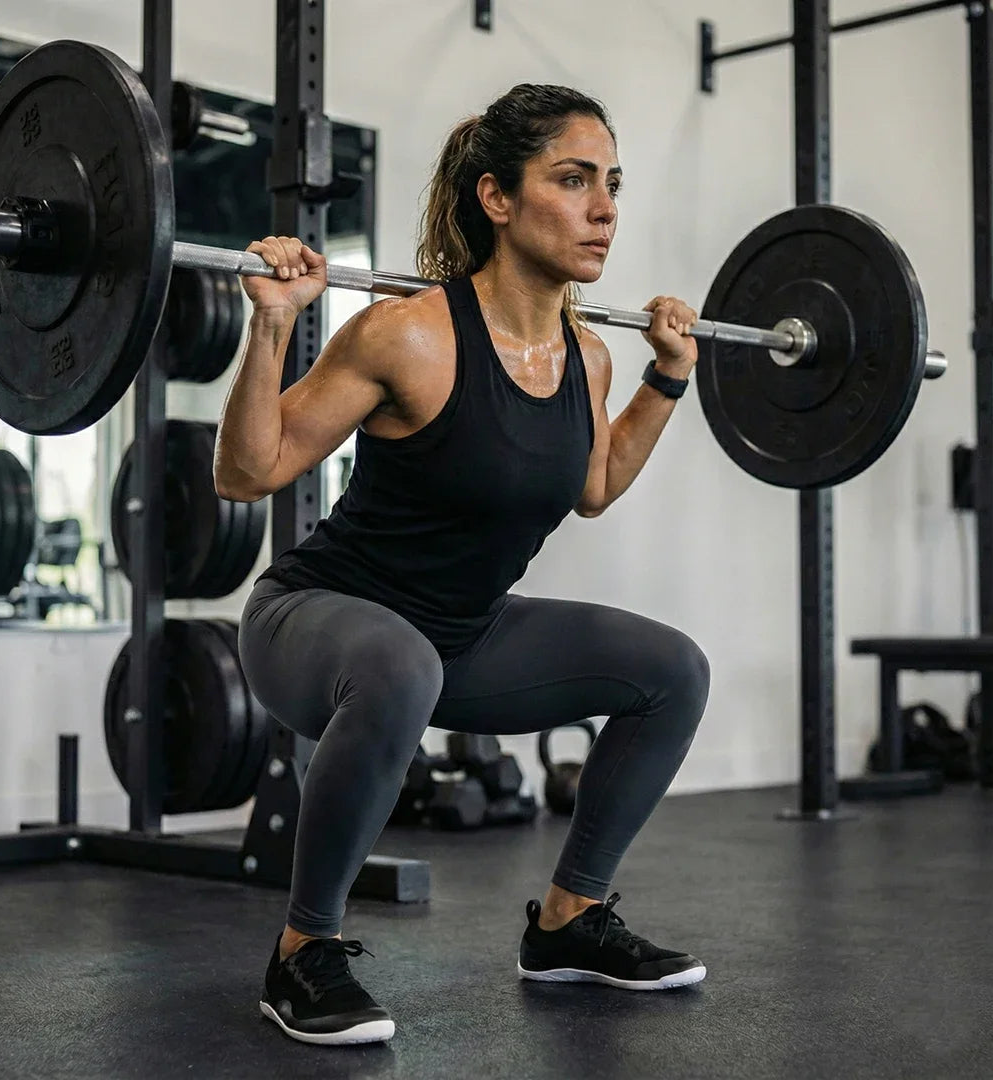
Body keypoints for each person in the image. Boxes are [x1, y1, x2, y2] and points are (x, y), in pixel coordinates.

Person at [215, 83, 711, 1048]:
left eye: (611, 184)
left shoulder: (588, 355)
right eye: (573, 181)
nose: (604, 208)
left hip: (461, 636)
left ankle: (569, 922)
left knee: (671, 671)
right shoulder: (408, 334)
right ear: (496, 197)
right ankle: (299, 953)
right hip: (314, 620)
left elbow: (595, 483)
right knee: (402, 664)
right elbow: (248, 473)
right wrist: (272, 322)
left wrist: (667, 377)